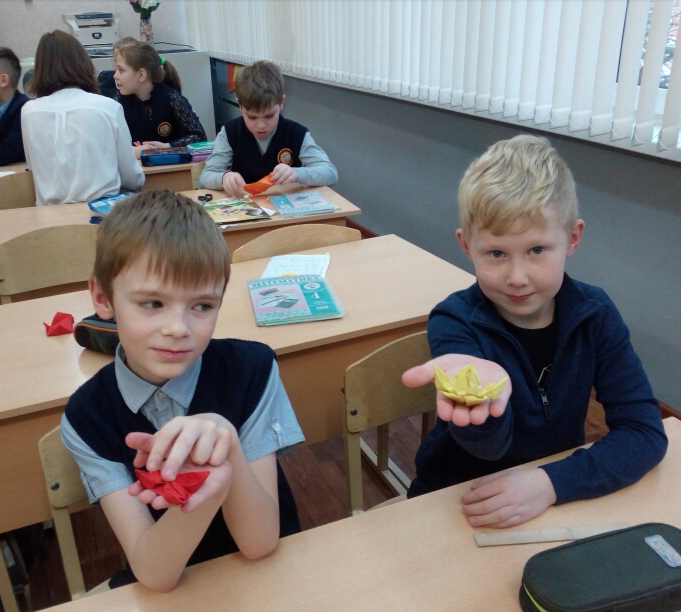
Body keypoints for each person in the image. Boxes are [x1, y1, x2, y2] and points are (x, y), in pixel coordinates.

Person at [402, 135, 667, 528]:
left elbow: (644, 432)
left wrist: (551, 483)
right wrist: (482, 403)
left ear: (572, 239)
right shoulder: (454, 319)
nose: (517, 277)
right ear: (467, 246)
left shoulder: (595, 315)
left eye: (537, 250)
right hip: (458, 500)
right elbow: (487, 449)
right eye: (496, 253)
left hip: (551, 497)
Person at [61, 190, 304, 591]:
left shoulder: (253, 370)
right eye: (152, 303)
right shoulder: (86, 418)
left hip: (267, 581)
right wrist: (204, 490)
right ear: (103, 298)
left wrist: (227, 448)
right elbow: (155, 574)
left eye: (202, 306)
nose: (178, 328)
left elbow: (260, 543)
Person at [21, 30, 144, 206]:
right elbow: (132, 179)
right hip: (102, 214)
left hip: (50, 217)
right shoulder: (108, 107)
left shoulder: (28, 112)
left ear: (40, 69)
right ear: (83, 62)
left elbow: (33, 168)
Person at [199, 61, 338, 198]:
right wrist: (224, 177)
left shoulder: (296, 133)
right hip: (246, 206)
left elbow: (331, 173)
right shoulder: (230, 132)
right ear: (240, 106)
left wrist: (297, 174)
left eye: (269, 116)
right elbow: (205, 177)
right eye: (252, 117)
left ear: (281, 103)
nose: (261, 125)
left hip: (285, 206)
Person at [112, 38, 206, 153]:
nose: (115, 76)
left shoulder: (171, 98)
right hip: (138, 163)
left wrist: (167, 146)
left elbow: (200, 136)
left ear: (141, 75)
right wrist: (134, 150)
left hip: (172, 161)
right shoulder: (118, 103)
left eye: (121, 70)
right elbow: (109, 142)